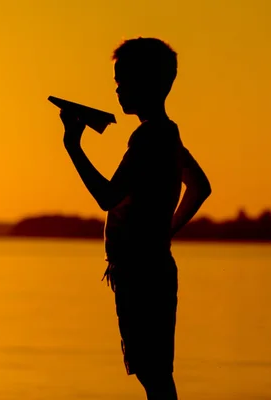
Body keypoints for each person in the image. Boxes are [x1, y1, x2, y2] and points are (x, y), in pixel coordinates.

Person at [59, 37, 211, 400]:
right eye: (116, 81)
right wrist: (164, 233)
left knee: (153, 374)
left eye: (124, 80)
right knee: (155, 372)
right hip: (150, 267)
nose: (117, 89)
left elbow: (107, 197)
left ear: (150, 83)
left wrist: (73, 146)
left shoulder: (148, 138)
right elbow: (200, 187)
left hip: (142, 274)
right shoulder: (167, 134)